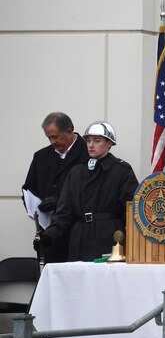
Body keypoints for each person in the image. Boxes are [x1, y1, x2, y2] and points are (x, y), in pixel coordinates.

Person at [35, 121, 139, 261]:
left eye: (97, 141)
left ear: (109, 143)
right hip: (80, 237)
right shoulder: (76, 171)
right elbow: (65, 211)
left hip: (109, 236)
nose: (91, 145)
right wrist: (49, 235)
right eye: (88, 140)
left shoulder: (121, 171)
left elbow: (131, 211)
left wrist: (136, 242)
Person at [22, 112, 89, 263]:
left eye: (55, 136)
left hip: (78, 235)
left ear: (70, 131)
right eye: (48, 137)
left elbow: (94, 194)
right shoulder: (40, 156)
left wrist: (60, 201)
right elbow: (29, 188)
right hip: (50, 234)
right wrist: (32, 205)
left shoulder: (89, 153)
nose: (52, 141)